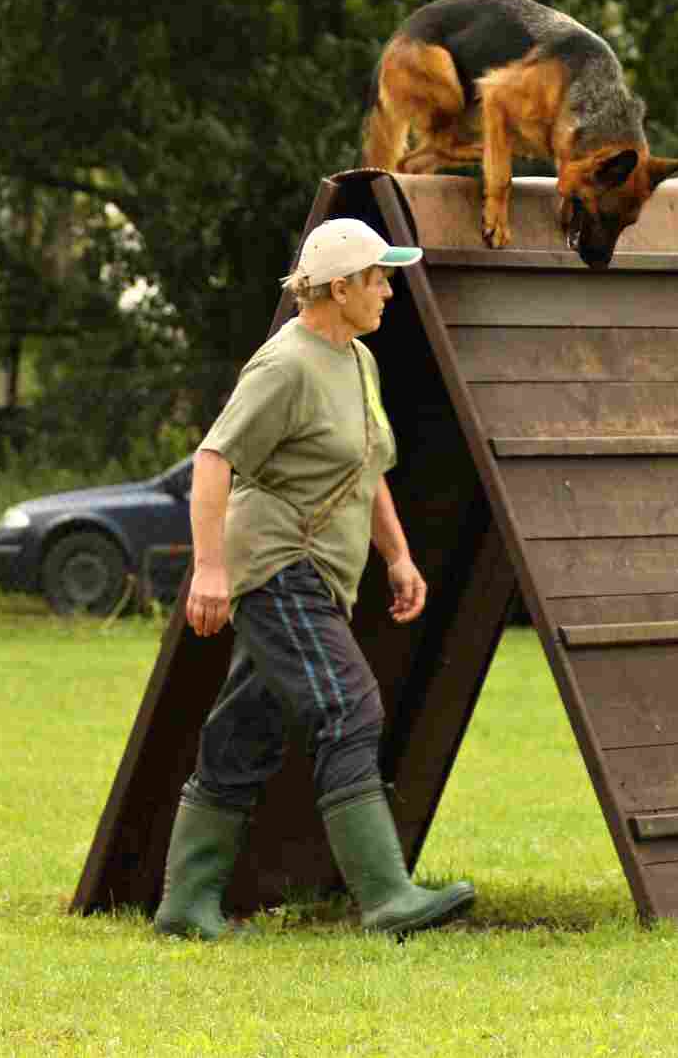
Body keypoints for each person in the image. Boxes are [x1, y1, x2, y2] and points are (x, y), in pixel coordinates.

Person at [153, 217, 477, 938]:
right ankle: (387, 895)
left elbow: (366, 466)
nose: (389, 291)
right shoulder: (285, 365)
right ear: (339, 286)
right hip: (276, 565)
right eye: (378, 278)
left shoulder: (357, 359)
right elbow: (213, 460)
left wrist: (396, 554)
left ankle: (184, 905)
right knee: (347, 706)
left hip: (324, 570)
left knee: (249, 725)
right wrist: (209, 568)